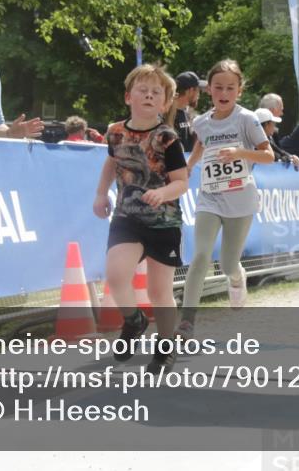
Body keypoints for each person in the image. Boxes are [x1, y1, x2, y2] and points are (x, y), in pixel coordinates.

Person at [93, 64, 189, 374]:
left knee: (159, 292)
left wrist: (163, 194)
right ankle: (133, 320)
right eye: (142, 90)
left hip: (164, 221)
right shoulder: (115, 131)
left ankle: (165, 347)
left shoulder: (167, 138)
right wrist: (100, 194)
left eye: (156, 92)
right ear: (127, 97)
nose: (149, 95)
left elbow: (181, 181)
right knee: (116, 274)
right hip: (127, 216)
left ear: (165, 103)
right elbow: (111, 162)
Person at [179, 60, 274, 340]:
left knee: (229, 264)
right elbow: (201, 142)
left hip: (240, 199)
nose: (224, 92)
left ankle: (236, 277)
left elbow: (268, 155)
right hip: (210, 197)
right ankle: (187, 322)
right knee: (200, 255)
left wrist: (239, 152)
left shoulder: (247, 119)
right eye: (218, 87)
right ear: (209, 90)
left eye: (230, 88)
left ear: (239, 91)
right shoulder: (201, 121)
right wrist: (188, 166)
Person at [172, 71, 205, 151]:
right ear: (190, 91)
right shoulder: (168, 114)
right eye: (198, 90)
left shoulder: (187, 113)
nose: (199, 95)